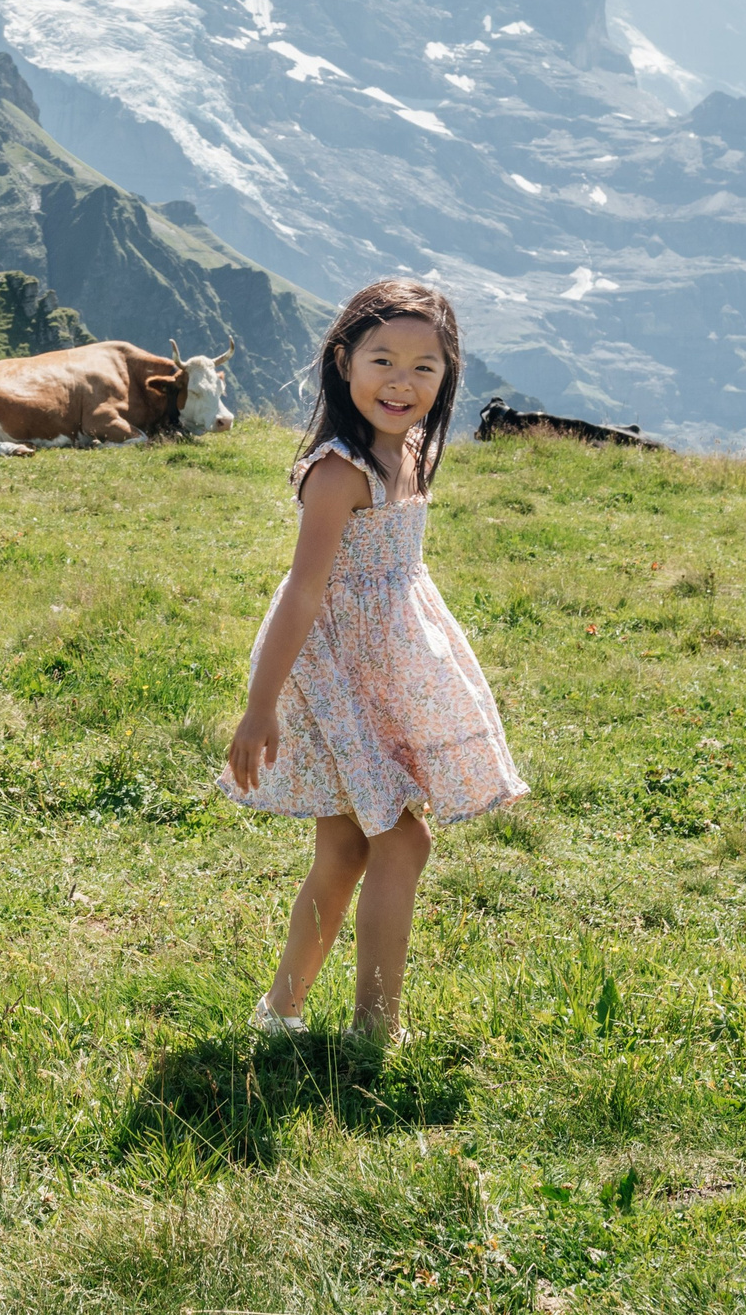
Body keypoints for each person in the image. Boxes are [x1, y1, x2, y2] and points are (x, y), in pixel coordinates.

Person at [220, 278, 526, 1043]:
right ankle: (374, 1030)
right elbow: (303, 591)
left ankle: (280, 1013)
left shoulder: (411, 450)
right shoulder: (339, 471)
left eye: (425, 366)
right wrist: (259, 707)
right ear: (343, 361)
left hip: (381, 669)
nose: (401, 381)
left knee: (347, 847)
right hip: (331, 671)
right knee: (402, 839)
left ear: (448, 374)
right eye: (382, 359)